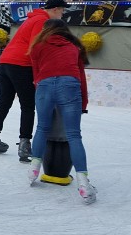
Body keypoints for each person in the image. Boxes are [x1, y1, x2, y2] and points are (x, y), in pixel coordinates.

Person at [0, 0, 68, 162]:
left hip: (6, 62)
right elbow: (35, 48)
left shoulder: (32, 19)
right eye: (62, 11)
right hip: (21, 64)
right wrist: (39, 74)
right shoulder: (41, 21)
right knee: (28, 105)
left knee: (5, 102)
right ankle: (25, 145)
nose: (62, 15)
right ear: (55, 9)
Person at [27, 19, 96, 204]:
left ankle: (34, 169)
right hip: (70, 85)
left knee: (42, 127)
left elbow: (36, 76)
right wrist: (83, 104)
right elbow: (81, 78)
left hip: (45, 85)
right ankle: (83, 182)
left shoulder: (37, 46)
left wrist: (41, 92)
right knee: (74, 135)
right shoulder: (75, 47)